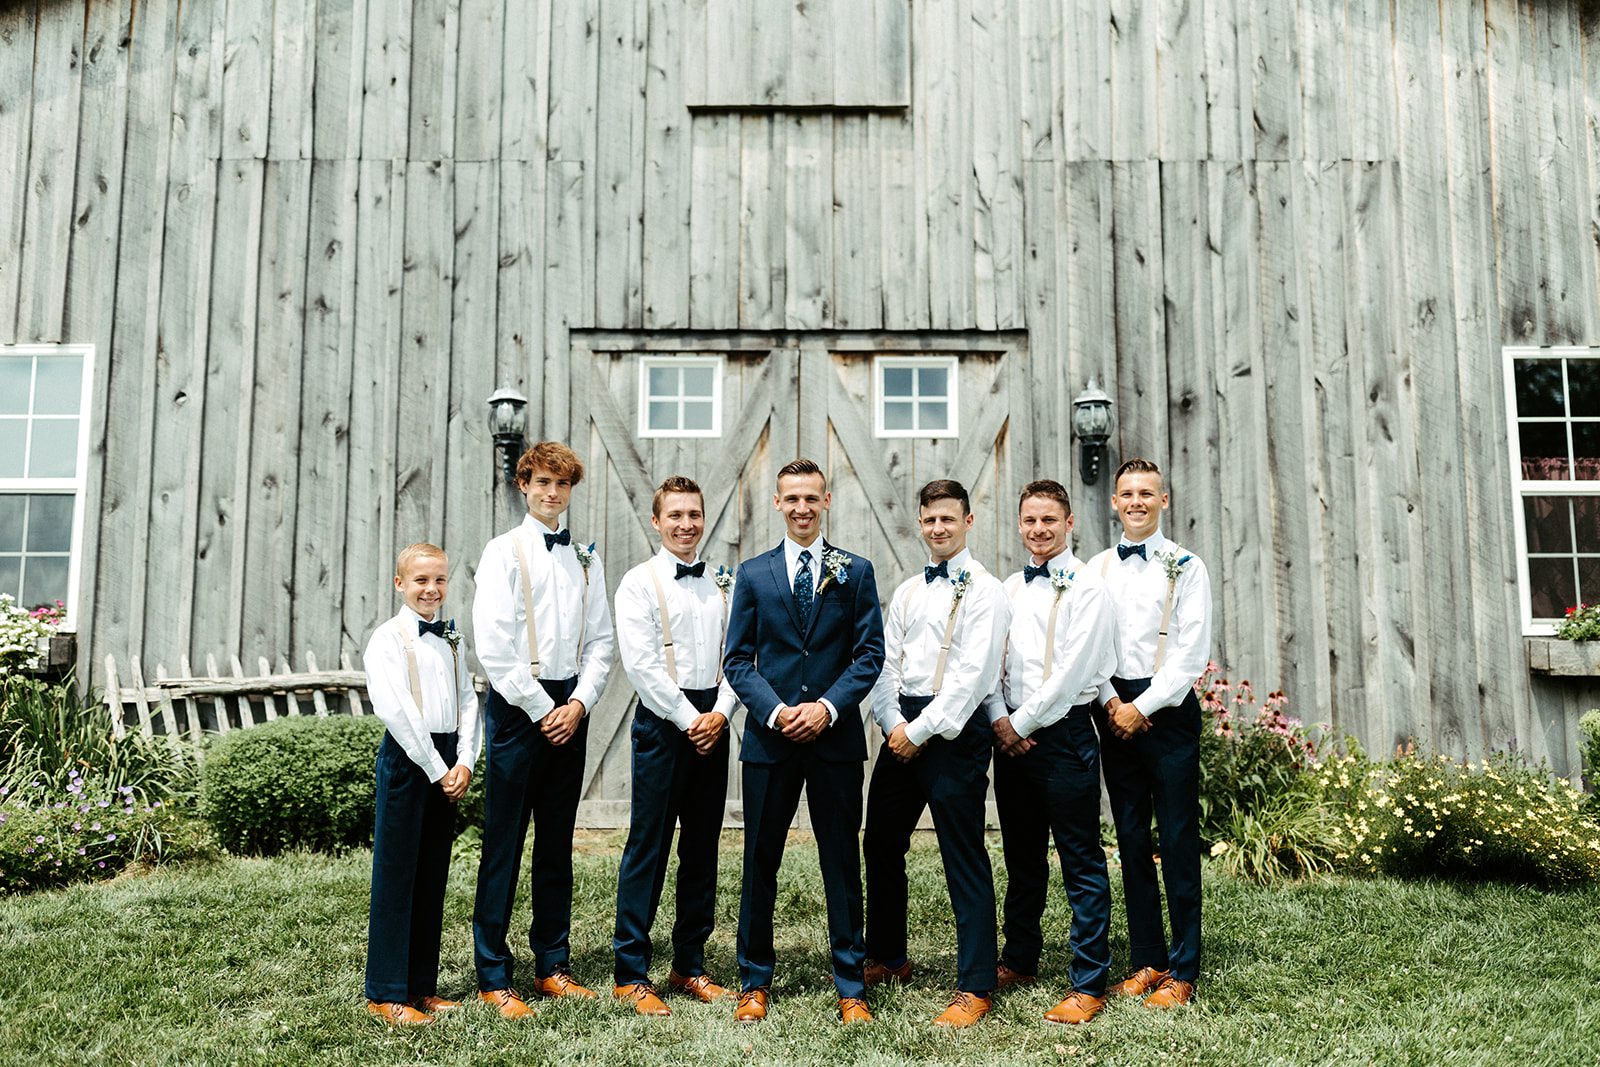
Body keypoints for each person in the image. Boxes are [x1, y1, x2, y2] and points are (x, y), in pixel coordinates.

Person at [722, 458, 886, 1024]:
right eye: (791, 498)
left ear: (826, 501)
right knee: (759, 861)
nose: (801, 508)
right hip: (770, 743)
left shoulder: (855, 571)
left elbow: (869, 655)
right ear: (777, 503)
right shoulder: (753, 574)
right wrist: (776, 712)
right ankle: (753, 981)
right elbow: (737, 661)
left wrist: (826, 708)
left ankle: (851, 986)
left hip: (834, 742)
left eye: (811, 498)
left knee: (841, 862)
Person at [471, 442, 615, 1018]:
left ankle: (553, 964)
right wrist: (540, 707)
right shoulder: (503, 551)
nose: (552, 493)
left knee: (557, 843)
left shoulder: (586, 558)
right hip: (518, 706)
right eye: (542, 483)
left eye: (562, 484)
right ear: (524, 486)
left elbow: (601, 641)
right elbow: (493, 645)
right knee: (503, 844)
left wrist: (578, 703)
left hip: (571, 708)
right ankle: (493, 973)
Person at [861, 479, 1008, 1028]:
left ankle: (975, 983)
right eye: (929, 520)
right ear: (920, 524)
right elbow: (885, 666)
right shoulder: (907, 591)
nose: (938, 528)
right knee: (880, 842)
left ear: (967, 521)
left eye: (948, 518)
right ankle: (889, 955)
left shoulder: (988, 591)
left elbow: (974, 678)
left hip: (954, 731)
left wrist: (920, 731)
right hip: (902, 728)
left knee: (961, 853)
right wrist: (894, 723)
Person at [983, 479, 1119, 1025]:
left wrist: (1018, 724)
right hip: (1010, 738)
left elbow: (1074, 674)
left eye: (1049, 520)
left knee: (1080, 859)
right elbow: (992, 662)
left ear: (1069, 524)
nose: (1039, 529)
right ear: (1020, 524)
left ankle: (1088, 982)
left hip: (1063, 736)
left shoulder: (1088, 587)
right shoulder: (1008, 587)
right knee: (1021, 857)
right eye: (1030, 520)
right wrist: (1000, 720)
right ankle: (1020, 959)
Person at [609, 477, 739, 1016]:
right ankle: (630, 973)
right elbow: (641, 666)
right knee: (650, 845)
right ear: (657, 521)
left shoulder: (724, 582)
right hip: (665, 722)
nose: (686, 524)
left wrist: (721, 713)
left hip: (716, 718)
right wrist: (691, 719)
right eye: (675, 515)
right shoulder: (638, 583)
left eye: (694, 514)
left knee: (702, 847)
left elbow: (739, 656)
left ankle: (689, 964)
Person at [1088, 458, 1212, 1008]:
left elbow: (1191, 653)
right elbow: (1087, 647)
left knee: (1178, 840)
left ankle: (1184, 968)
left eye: (1147, 493)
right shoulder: (1096, 568)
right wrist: (1112, 702)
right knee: (1132, 839)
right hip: (1113, 708)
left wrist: (1143, 706)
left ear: (1163, 500)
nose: (1136, 502)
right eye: (1127, 493)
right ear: (1114, 502)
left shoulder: (1187, 566)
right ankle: (1148, 959)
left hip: (1168, 709)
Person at [361, 542, 482, 1026]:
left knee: (432, 872)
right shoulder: (387, 639)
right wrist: (437, 767)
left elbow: (468, 699)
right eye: (421, 581)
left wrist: (465, 760)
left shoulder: (452, 638)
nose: (431, 589)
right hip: (410, 759)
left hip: (448, 759)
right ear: (400, 584)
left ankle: (420, 987)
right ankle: (386, 991)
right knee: (397, 875)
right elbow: (398, 712)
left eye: (440, 580)